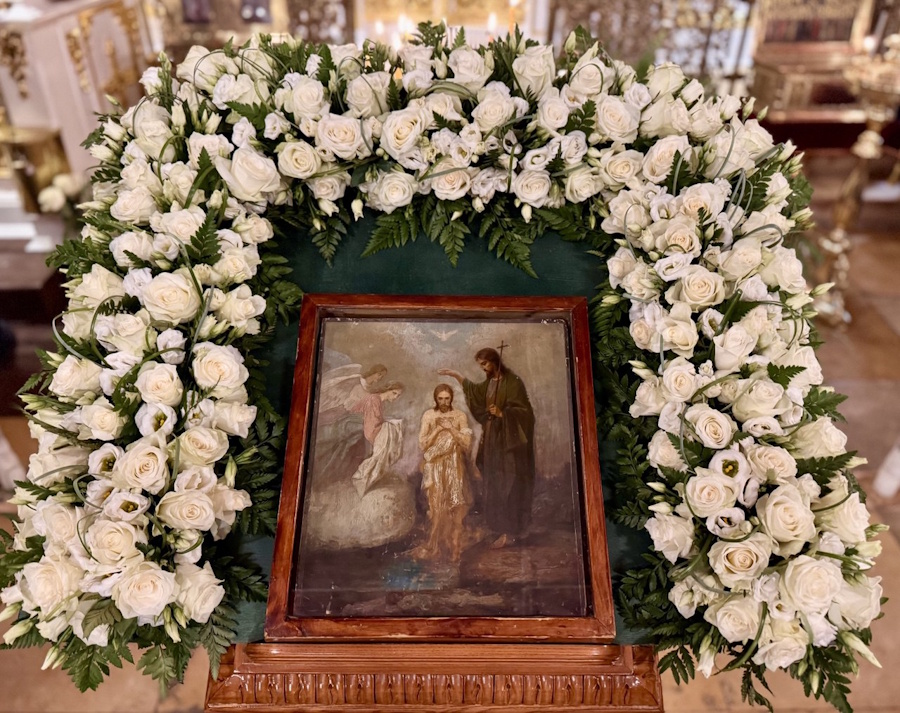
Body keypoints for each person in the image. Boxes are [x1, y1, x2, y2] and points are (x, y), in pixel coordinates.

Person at [439, 347, 535, 548]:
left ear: (494, 361)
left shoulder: (513, 382)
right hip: (492, 440)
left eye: (485, 364)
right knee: (494, 482)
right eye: (480, 365)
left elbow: (525, 413)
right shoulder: (490, 383)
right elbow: (475, 392)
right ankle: (499, 528)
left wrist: (503, 414)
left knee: (509, 482)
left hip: (509, 444)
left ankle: (511, 532)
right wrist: (457, 375)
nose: (483, 368)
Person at [412, 384, 473, 562]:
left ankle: (455, 549)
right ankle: (435, 545)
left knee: (455, 506)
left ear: (451, 398)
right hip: (435, 466)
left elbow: (466, 443)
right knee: (436, 506)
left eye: (447, 398)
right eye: (441, 399)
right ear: (436, 399)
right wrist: (438, 429)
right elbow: (423, 444)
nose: (444, 402)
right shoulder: (429, 415)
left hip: (454, 465)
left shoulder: (459, 416)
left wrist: (451, 428)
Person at [350, 381, 405, 496]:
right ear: (387, 389)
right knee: (391, 430)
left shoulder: (379, 401)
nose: (395, 397)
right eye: (394, 393)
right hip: (370, 429)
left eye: (398, 395)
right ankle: (363, 477)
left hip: (373, 428)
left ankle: (375, 475)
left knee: (393, 428)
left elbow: (379, 420)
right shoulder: (374, 399)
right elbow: (372, 424)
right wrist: (390, 425)